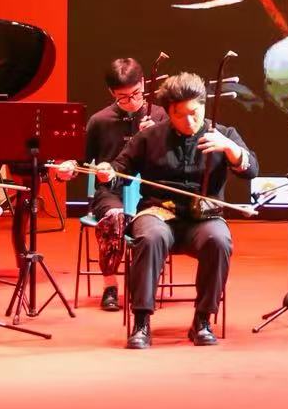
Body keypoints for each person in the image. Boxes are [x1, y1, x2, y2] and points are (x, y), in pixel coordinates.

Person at [88, 72, 257, 349]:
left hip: (203, 217)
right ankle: (141, 322)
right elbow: (119, 170)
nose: (190, 121)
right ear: (168, 112)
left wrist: (232, 150)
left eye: (195, 113)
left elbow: (251, 170)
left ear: (203, 105)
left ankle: (202, 320)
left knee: (219, 240)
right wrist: (108, 172)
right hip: (158, 213)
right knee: (150, 237)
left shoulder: (223, 134)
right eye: (181, 115)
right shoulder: (150, 137)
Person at [49, 57, 156, 312]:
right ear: (111, 93)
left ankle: (144, 284)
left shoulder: (160, 116)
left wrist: (157, 134)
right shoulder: (100, 120)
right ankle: (110, 285)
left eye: (136, 94)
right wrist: (65, 170)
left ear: (143, 83)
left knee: (153, 221)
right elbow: (79, 160)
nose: (132, 101)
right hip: (110, 191)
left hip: (150, 191)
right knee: (114, 217)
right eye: (123, 97)